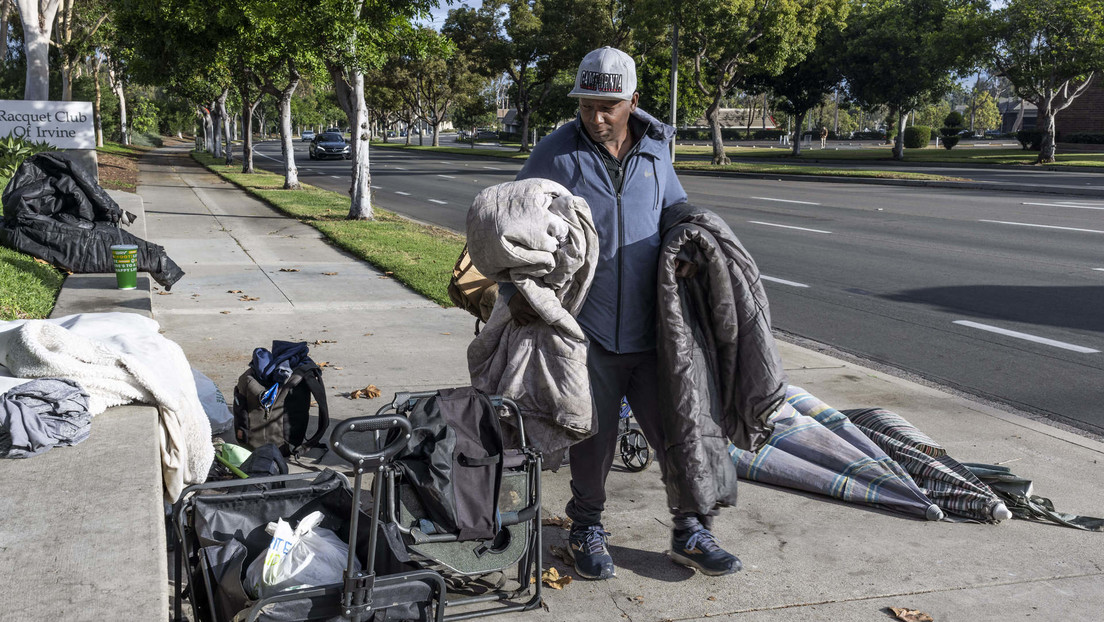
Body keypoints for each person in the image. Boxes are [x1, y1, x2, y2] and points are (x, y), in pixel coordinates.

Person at [506, 46, 743, 580]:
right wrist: (518, 301)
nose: (596, 116)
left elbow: (674, 209)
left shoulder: (657, 151)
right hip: (586, 331)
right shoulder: (554, 154)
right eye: (588, 104)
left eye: (608, 105)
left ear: (633, 101)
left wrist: (688, 246)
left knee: (678, 431)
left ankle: (692, 530)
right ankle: (586, 527)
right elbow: (512, 230)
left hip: (654, 329)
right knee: (591, 438)